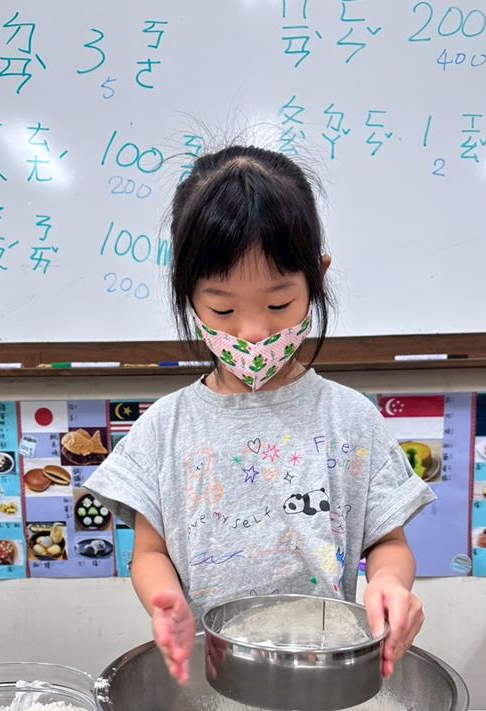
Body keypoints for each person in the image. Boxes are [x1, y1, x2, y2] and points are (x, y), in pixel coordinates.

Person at [86, 145, 434, 683]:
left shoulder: (350, 418)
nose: (252, 332)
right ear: (187, 293)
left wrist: (389, 583)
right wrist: (163, 599)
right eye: (222, 308)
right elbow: (149, 551)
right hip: (216, 672)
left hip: (323, 669)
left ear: (317, 279)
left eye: (278, 304)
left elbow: (388, 543)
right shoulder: (164, 427)